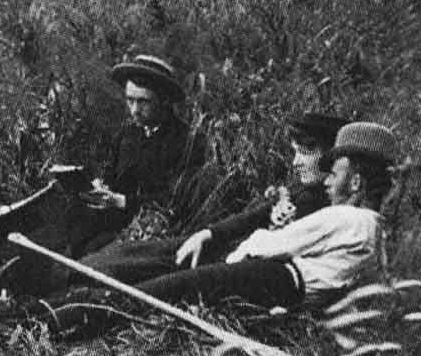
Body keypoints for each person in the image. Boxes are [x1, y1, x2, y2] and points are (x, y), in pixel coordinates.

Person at [125, 121, 396, 311]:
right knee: (175, 288)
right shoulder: (377, 230)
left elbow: (270, 246)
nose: (327, 183)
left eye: (334, 175)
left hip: (276, 280)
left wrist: (229, 264)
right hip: (289, 291)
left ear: (356, 183)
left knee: (170, 289)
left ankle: (95, 305)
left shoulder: (345, 217)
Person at [75, 112, 347, 287]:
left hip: (229, 268)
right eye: (295, 152)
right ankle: (75, 274)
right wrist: (208, 233)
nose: (296, 163)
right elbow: (255, 215)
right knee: (132, 253)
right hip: (221, 248)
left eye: (305, 153)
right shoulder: (303, 190)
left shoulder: (326, 207)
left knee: (136, 269)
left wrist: (215, 243)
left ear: (331, 158)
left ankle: (72, 284)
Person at [64, 54, 210, 256]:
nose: (134, 110)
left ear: (164, 101)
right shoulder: (127, 134)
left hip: (154, 234)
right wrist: (100, 186)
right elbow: (111, 174)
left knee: (95, 254)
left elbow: (175, 201)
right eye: (130, 100)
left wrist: (122, 201)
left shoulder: (188, 141)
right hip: (113, 221)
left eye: (144, 102)